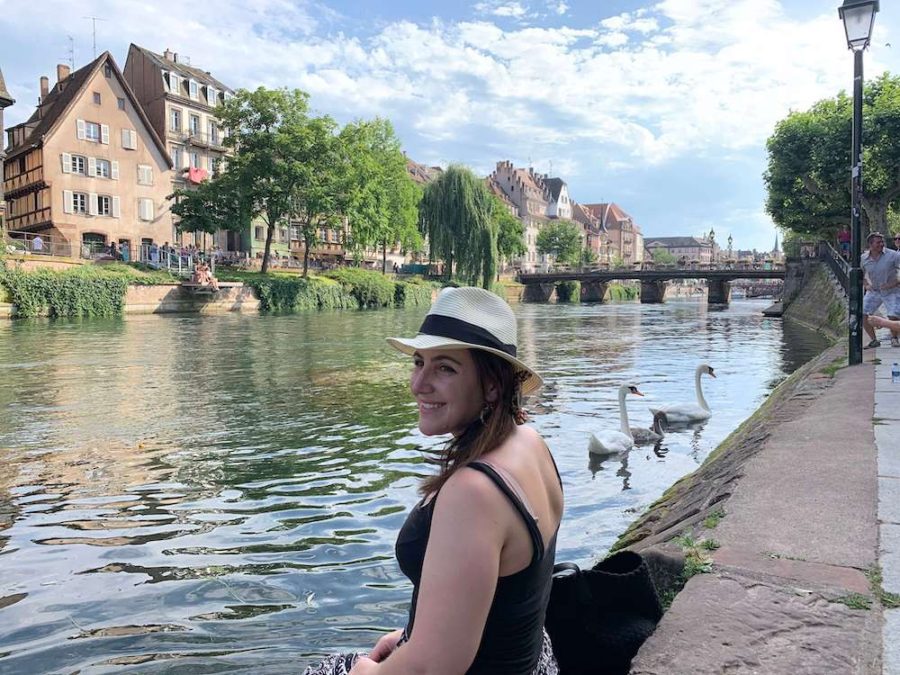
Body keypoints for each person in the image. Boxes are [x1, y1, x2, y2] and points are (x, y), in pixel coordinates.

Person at [303, 287, 563, 675]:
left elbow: (429, 669)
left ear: (492, 384)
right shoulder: (530, 442)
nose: (418, 385)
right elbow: (508, 597)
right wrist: (417, 633)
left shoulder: (474, 493)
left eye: (445, 368)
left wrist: (364, 671)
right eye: (418, 362)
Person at [862, 232, 900, 348]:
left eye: (882, 242)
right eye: (878, 242)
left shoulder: (893, 255)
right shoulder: (864, 258)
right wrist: (866, 285)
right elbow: (860, 274)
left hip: (891, 291)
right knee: (862, 313)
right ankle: (874, 340)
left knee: (893, 314)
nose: (881, 244)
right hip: (874, 291)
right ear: (870, 244)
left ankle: (894, 338)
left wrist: (894, 283)